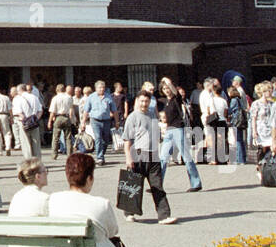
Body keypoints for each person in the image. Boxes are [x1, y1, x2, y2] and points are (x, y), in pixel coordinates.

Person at [48, 154, 143, 247]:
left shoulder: (54, 199)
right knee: (106, 240)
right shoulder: (101, 204)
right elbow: (112, 231)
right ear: (89, 178)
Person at [122, 92, 174, 223]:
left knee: (157, 186)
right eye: (142, 101)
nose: (144, 104)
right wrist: (128, 158)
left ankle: (164, 216)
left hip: (153, 155)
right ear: (137, 101)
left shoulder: (152, 115)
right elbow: (127, 140)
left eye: (146, 101)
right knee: (133, 185)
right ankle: (129, 212)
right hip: (138, 154)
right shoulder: (132, 117)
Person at [157, 81, 202, 191]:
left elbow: (176, 92)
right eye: (164, 89)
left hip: (178, 129)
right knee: (163, 157)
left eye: (167, 88)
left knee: (186, 157)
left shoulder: (176, 99)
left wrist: (168, 82)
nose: (166, 90)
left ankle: (196, 183)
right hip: (169, 130)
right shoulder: (166, 101)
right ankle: (157, 185)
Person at [81, 82, 114, 165]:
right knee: (98, 138)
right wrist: (83, 123)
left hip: (106, 121)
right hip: (95, 120)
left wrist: (116, 121)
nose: (102, 89)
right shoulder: (91, 97)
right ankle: (99, 158)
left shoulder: (108, 97)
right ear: (96, 88)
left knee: (106, 140)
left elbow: (114, 110)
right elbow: (86, 111)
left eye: (103, 87)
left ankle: (102, 153)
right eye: (100, 88)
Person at [249, 82, 275, 171]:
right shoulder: (256, 104)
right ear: (263, 92)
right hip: (261, 129)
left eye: (271, 90)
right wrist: (254, 131)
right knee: (263, 148)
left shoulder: (271, 104)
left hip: (270, 129)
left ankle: (269, 165)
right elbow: (253, 118)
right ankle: (260, 165)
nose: (271, 93)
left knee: (272, 148)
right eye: (268, 91)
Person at [202, 80, 229, 164]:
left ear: (214, 91)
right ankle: (224, 158)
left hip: (214, 122)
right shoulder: (224, 101)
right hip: (222, 121)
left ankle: (214, 159)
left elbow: (209, 111)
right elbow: (225, 113)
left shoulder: (211, 100)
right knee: (223, 140)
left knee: (214, 141)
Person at [46, 85, 74, 159]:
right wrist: (71, 118)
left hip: (58, 117)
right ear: (64, 89)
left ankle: (54, 154)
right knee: (68, 137)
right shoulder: (69, 97)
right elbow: (71, 109)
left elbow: (52, 111)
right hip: (66, 117)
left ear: (56, 90)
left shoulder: (55, 98)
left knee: (55, 137)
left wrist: (49, 121)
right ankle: (69, 154)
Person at [226, 84, 249, 165]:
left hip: (236, 121)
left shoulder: (233, 100)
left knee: (238, 140)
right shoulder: (239, 99)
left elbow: (230, 110)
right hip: (241, 120)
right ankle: (243, 158)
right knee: (241, 140)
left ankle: (240, 159)